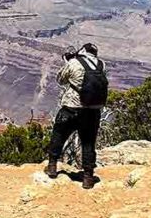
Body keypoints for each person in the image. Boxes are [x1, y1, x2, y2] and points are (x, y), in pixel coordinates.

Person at [46, 42, 107, 188]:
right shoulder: (101, 64)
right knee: (88, 143)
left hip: (72, 108)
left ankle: (52, 166)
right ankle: (87, 177)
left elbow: (61, 79)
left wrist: (68, 62)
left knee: (59, 135)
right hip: (92, 110)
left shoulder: (74, 62)